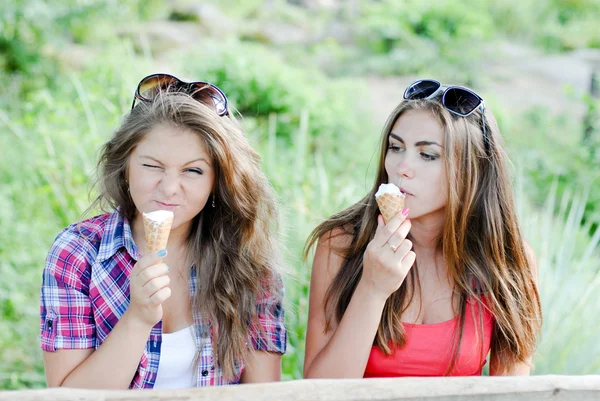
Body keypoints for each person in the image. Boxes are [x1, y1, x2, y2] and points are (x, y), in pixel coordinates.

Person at [40, 73, 286, 389]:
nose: (169, 189)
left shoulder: (250, 262)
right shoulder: (77, 254)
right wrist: (138, 318)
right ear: (126, 166)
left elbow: (262, 395)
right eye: (152, 166)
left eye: (193, 170)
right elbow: (69, 399)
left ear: (217, 183)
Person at [303, 79, 542, 378]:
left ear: (472, 170)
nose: (402, 167)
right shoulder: (341, 244)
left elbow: (511, 394)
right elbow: (318, 394)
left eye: (427, 155)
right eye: (396, 147)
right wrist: (372, 289)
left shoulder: (506, 260)